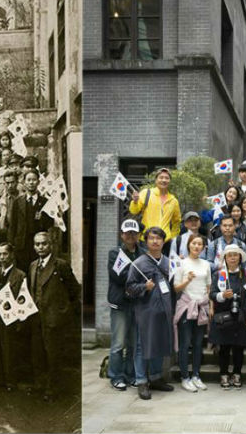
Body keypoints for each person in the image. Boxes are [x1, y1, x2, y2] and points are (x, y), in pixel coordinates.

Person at [29, 231, 81, 401]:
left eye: (43, 244)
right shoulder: (33, 266)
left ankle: (53, 389)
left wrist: (62, 310)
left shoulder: (60, 265)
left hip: (53, 318)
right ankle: (39, 384)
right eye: (37, 244)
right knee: (37, 354)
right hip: (37, 317)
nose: (40, 247)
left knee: (53, 355)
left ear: (50, 245)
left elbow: (74, 290)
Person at [125, 227, 174, 400]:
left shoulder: (168, 262)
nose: (155, 241)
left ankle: (155, 377)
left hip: (164, 311)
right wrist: (144, 287)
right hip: (145, 312)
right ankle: (141, 381)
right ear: (146, 241)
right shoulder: (138, 264)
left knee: (159, 343)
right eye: (152, 238)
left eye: (159, 238)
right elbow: (129, 289)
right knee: (141, 346)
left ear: (163, 241)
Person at [106, 219, 143, 391]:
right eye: (127, 233)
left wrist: (136, 279)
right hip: (120, 304)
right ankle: (116, 376)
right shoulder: (115, 253)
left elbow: (145, 274)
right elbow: (118, 276)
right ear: (122, 235)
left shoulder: (142, 253)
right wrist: (137, 277)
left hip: (136, 304)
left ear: (138, 235)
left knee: (133, 343)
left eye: (133, 233)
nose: (130, 236)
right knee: (118, 343)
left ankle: (130, 375)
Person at [209, 244, 246, 389]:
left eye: (235, 255)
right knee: (224, 347)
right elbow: (212, 294)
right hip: (224, 315)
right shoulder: (219, 274)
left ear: (240, 257)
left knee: (239, 347)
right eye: (230, 255)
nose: (233, 258)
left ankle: (237, 373)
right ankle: (224, 374)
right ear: (225, 258)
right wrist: (222, 295)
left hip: (241, 315)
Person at [0, 243, 29, 390]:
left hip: (10, 317)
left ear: (11, 255)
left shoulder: (20, 275)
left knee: (9, 350)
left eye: (5, 254)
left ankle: (11, 381)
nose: (2, 257)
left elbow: (22, 298)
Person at [173, 234, 210, 392]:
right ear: (189, 245)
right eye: (194, 243)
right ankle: (184, 377)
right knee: (185, 343)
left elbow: (208, 286)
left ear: (203, 247)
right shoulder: (181, 263)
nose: (196, 246)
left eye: (199, 244)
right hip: (186, 307)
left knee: (197, 344)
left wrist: (207, 302)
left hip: (201, 308)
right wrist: (187, 280)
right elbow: (176, 288)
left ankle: (196, 375)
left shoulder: (206, 264)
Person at [7, 169, 54, 272]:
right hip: (22, 245)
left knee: (39, 271)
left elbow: (49, 224)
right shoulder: (17, 202)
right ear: (24, 182)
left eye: (34, 179)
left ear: (38, 181)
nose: (31, 182)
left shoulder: (45, 202)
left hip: (39, 244)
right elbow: (13, 225)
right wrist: (11, 244)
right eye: (28, 180)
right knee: (23, 271)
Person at [129, 168, 181, 248]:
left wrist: (173, 237)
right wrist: (135, 202)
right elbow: (134, 211)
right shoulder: (146, 193)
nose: (164, 180)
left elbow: (176, 221)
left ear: (170, 181)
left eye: (167, 178)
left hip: (165, 241)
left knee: (164, 261)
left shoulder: (173, 200)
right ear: (156, 180)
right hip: (147, 239)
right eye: (161, 177)